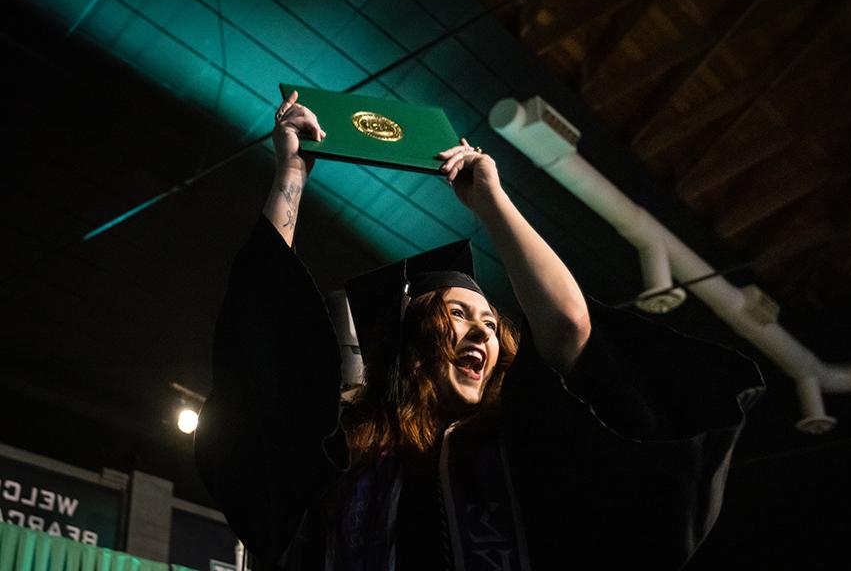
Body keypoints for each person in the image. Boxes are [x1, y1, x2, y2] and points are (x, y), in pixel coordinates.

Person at [195, 91, 764, 570]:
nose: (482, 334)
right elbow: (258, 343)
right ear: (412, 342)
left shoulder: (514, 453)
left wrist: (492, 202)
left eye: (491, 324)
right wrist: (290, 172)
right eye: (460, 315)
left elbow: (570, 326)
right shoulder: (346, 463)